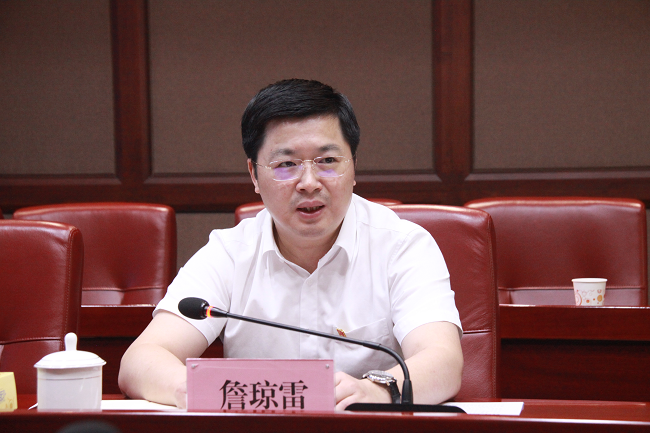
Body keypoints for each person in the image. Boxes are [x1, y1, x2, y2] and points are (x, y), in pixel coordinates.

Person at [118, 79, 463, 410]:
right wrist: (194, 388)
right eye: (286, 165)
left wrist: (373, 390)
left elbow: (443, 362)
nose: (309, 183)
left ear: (354, 167)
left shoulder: (403, 246)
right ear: (254, 175)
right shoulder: (229, 253)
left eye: (327, 162)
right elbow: (141, 360)